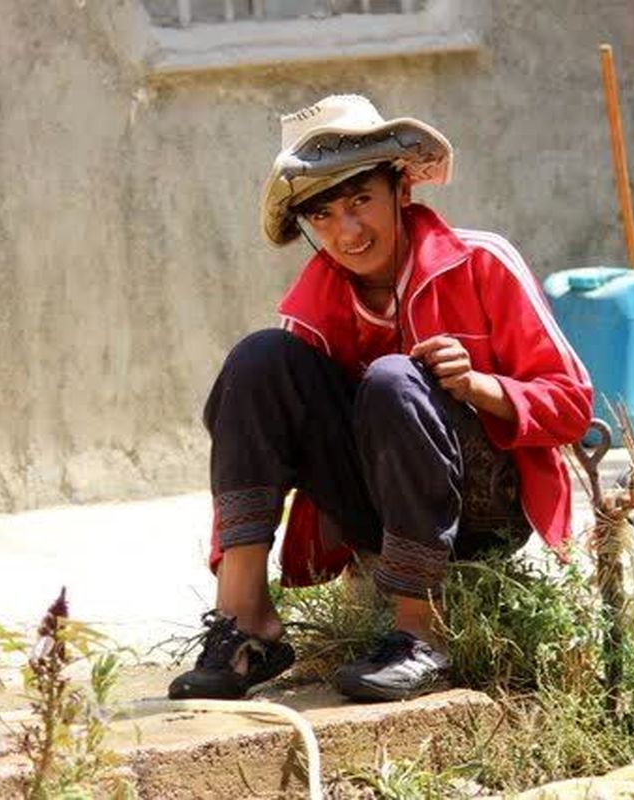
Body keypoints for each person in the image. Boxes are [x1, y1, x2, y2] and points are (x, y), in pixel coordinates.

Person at [169, 95, 592, 703]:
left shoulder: (483, 262)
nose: (347, 231)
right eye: (323, 214)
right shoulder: (312, 309)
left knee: (395, 380)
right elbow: (259, 436)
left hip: (481, 510)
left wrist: (478, 386)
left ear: (401, 188)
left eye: (360, 201)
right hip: (375, 509)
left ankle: (420, 634)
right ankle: (245, 623)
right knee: (256, 362)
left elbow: (572, 405)